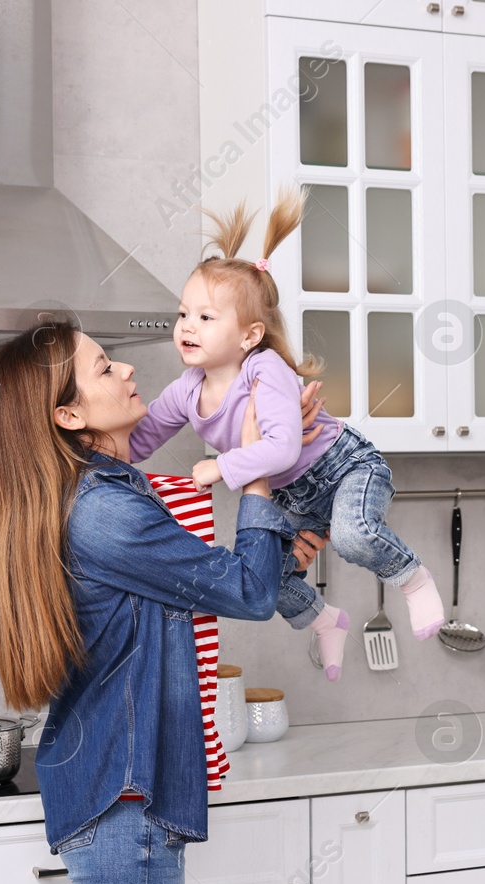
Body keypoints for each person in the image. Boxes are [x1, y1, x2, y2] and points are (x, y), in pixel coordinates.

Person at [0, 320, 322, 884]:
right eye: (104, 367)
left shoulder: (99, 494)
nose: (129, 369)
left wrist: (278, 529)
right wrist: (260, 470)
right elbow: (244, 591)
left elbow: (222, 583)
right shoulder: (104, 511)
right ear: (68, 414)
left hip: (113, 796)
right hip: (124, 806)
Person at [128, 189, 444, 682]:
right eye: (184, 314)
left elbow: (283, 447)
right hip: (296, 496)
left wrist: (223, 466)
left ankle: (412, 577)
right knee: (262, 584)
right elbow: (138, 440)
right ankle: (324, 619)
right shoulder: (187, 390)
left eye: (206, 318)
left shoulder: (265, 369)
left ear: (250, 335)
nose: (187, 327)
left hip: (343, 468)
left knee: (354, 539)